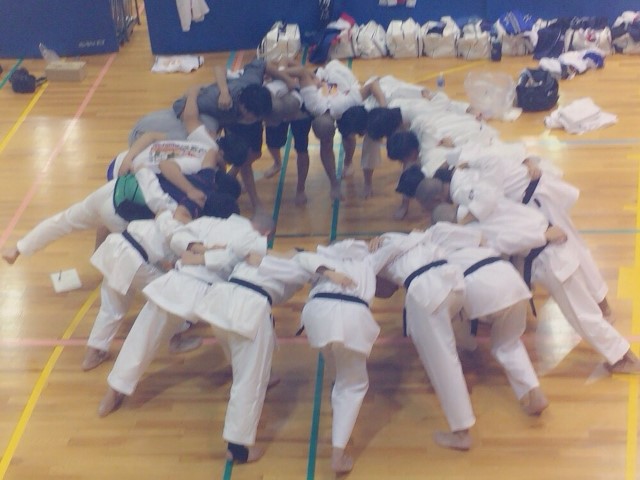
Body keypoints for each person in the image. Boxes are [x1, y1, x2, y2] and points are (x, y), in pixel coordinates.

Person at [438, 181, 640, 375]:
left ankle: (625, 358)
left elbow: (506, 243)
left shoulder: (473, 229)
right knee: (584, 312)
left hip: (551, 258)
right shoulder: (486, 198)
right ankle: (622, 355)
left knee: (583, 316)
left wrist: (542, 237)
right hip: (555, 247)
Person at [97, 212, 274, 417]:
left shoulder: (208, 222)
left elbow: (177, 237)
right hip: (212, 293)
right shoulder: (255, 239)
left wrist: (198, 253)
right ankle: (257, 377)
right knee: (238, 337)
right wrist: (207, 254)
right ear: (267, 232)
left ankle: (115, 390)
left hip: (179, 283)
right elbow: (234, 260)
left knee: (143, 335)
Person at [83, 194, 239, 371]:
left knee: (112, 307)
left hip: (116, 246)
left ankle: (93, 354)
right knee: (172, 298)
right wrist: (210, 250)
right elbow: (184, 257)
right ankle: (176, 340)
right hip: (134, 259)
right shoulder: (187, 230)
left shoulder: (167, 211)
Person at [294, 238, 409, 472]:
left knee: (334, 355)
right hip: (351, 315)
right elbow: (398, 246)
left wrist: (328, 272)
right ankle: (338, 454)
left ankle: (337, 385)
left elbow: (300, 257)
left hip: (316, 314)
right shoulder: (367, 262)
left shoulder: (322, 258)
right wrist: (390, 239)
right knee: (353, 385)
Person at [193, 250, 311, 464]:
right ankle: (237, 448)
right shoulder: (296, 268)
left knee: (239, 356)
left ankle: (268, 378)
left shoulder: (256, 253)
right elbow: (304, 273)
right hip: (249, 308)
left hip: (221, 302)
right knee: (249, 380)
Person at [424, 212, 549, 415]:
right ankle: (534, 393)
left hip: (479, 286)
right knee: (508, 343)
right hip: (510, 280)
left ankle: (469, 349)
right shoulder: (474, 233)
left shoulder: (430, 243)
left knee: (446, 313)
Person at [372, 228, 475, 450]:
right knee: (451, 335)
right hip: (455, 283)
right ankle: (469, 348)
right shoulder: (419, 239)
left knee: (442, 362)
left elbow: (384, 290)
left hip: (427, 292)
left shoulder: (380, 251)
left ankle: (461, 434)